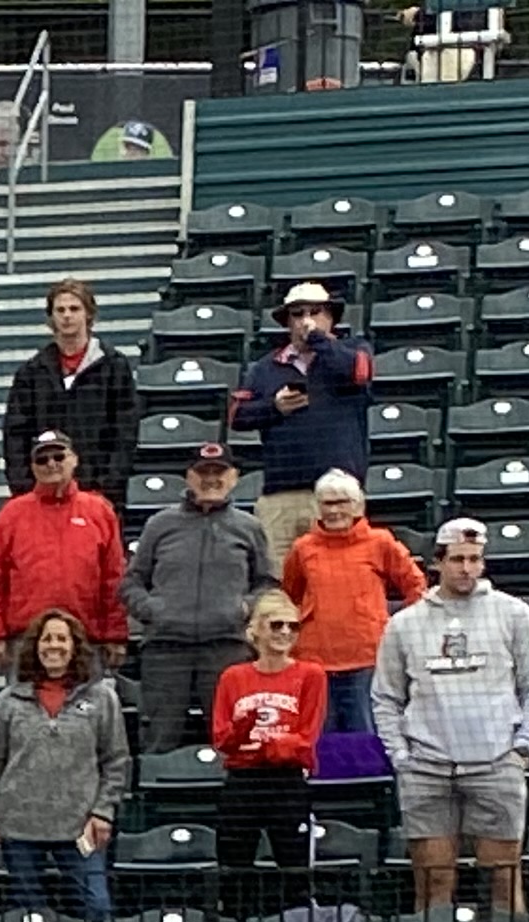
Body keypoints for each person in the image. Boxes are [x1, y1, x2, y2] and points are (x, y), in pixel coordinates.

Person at [372, 517, 529, 914]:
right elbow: (385, 698)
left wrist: (522, 748)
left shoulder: (514, 614)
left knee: (503, 877)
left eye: (474, 559)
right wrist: (402, 757)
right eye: (457, 559)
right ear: (438, 562)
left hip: (496, 762)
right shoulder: (404, 624)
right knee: (433, 880)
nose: (466, 568)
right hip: (427, 767)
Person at [116, 441, 271, 755]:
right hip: (165, 650)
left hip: (226, 649)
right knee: (159, 739)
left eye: (219, 472)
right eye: (202, 472)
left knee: (232, 739)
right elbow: (131, 581)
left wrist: (243, 609)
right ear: (188, 477)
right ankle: (156, 801)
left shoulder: (249, 527)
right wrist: (153, 610)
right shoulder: (160, 524)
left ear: (234, 477)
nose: (210, 479)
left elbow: (267, 584)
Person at [0, 609, 130, 922]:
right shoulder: (7, 701)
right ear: (34, 646)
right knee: (30, 917)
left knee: (95, 906)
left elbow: (116, 760)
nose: (53, 645)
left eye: (62, 638)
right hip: (19, 826)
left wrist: (103, 812)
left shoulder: (102, 699)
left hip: (80, 825)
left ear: (75, 646)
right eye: (47, 639)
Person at [281, 470, 428, 774]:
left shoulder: (380, 542)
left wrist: (399, 630)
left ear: (358, 505)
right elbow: (289, 598)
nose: (334, 510)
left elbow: (416, 585)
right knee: (321, 744)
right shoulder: (303, 548)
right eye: (327, 503)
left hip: (366, 660)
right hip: (316, 662)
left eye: (342, 502)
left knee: (367, 739)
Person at [229, 280, 372, 557]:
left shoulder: (354, 350)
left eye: (316, 311)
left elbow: (359, 373)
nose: (306, 320)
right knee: (277, 584)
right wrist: (274, 407)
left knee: (335, 577)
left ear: (331, 317)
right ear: (287, 321)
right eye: (298, 314)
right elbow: (237, 415)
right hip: (281, 493)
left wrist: (318, 340)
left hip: (337, 493)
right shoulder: (265, 366)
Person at [0, 430, 128, 677]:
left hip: (86, 639)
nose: (51, 464)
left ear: (75, 459)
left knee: (90, 712)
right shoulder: (12, 514)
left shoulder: (99, 511)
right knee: (23, 713)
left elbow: (114, 577)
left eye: (58, 456)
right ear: (32, 467)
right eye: (42, 460)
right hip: (25, 640)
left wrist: (116, 633)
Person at [210, 590, 325, 916]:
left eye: (293, 626)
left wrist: (264, 746)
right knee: (233, 873)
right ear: (256, 629)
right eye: (277, 625)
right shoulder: (233, 677)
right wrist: (247, 730)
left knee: (295, 873)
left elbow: (306, 738)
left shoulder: (310, 675)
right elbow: (223, 740)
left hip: (287, 782)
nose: (286, 633)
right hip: (243, 782)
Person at [0, 278, 137, 507]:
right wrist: (25, 491)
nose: (67, 315)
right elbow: (15, 436)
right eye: (60, 309)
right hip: (43, 499)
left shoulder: (114, 367)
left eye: (74, 308)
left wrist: (108, 488)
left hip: (99, 497)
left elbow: (124, 434)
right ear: (51, 317)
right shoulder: (31, 373)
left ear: (88, 314)